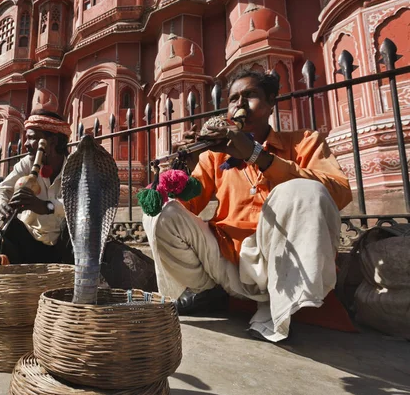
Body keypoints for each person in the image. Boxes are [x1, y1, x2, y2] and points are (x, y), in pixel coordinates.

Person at [143, 69, 352, 342]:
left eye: (250, 95)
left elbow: (338, 192)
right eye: (233, 98)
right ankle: (206, 292)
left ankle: (278, 304)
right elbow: (186, 208)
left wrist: (258, 156)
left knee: (305, 189)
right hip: (228, 262)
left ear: (270, 104)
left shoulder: (304, 142)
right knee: (161, 211)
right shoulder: (214, 156)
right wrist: (184, 171)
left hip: (284, 260)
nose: (239, 105)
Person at [0, 109, 73, 265]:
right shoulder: (28, 162)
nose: (25, 144)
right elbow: (1, 189)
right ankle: (19, 269)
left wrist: (46, 207)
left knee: (73, 225)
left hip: (61, 246)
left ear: (52, 141)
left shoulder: (74, 167)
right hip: (29, 243)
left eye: (31, 138)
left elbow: (81, 206)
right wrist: (1, 206)